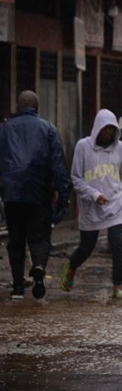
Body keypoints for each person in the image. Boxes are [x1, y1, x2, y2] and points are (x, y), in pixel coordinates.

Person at [0, 91, 72, 300]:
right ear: (37, 107)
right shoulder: (48, 129)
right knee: (39, 237)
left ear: (18, 105)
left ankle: (17, 288)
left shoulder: (5, 129)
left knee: (16, 239)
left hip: (12, 194)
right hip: (39, 194)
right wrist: (63, 196)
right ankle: (39, 267)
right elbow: (58, 165)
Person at [60, 110, 122, 299]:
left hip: (116, 205)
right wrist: (93, 194)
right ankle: (72, 266)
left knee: (118, 245)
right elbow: (76, 178)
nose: (108, 134)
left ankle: (117, 286)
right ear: (97, 129)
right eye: (105, 130)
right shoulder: (83, 147)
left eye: (111, 130)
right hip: (91, 208)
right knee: (87, 247)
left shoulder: (121, 149)